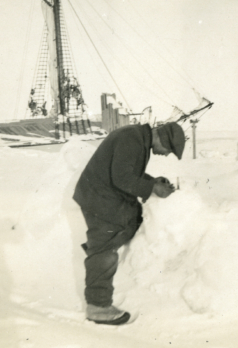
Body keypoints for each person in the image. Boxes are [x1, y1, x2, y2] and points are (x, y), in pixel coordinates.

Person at [73, 122, 185, 325]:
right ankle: (98, 306)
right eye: (169, 150)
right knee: (105, 248)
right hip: (99, 198)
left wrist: (153, 181)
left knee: (133, 220)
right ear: (163, 139)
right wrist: (152, 188)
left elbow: (128, 170)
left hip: (102, 195)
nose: (166, 154)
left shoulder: (137, 138)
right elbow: (122, 178)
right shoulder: (132, 140)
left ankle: (97, 253)